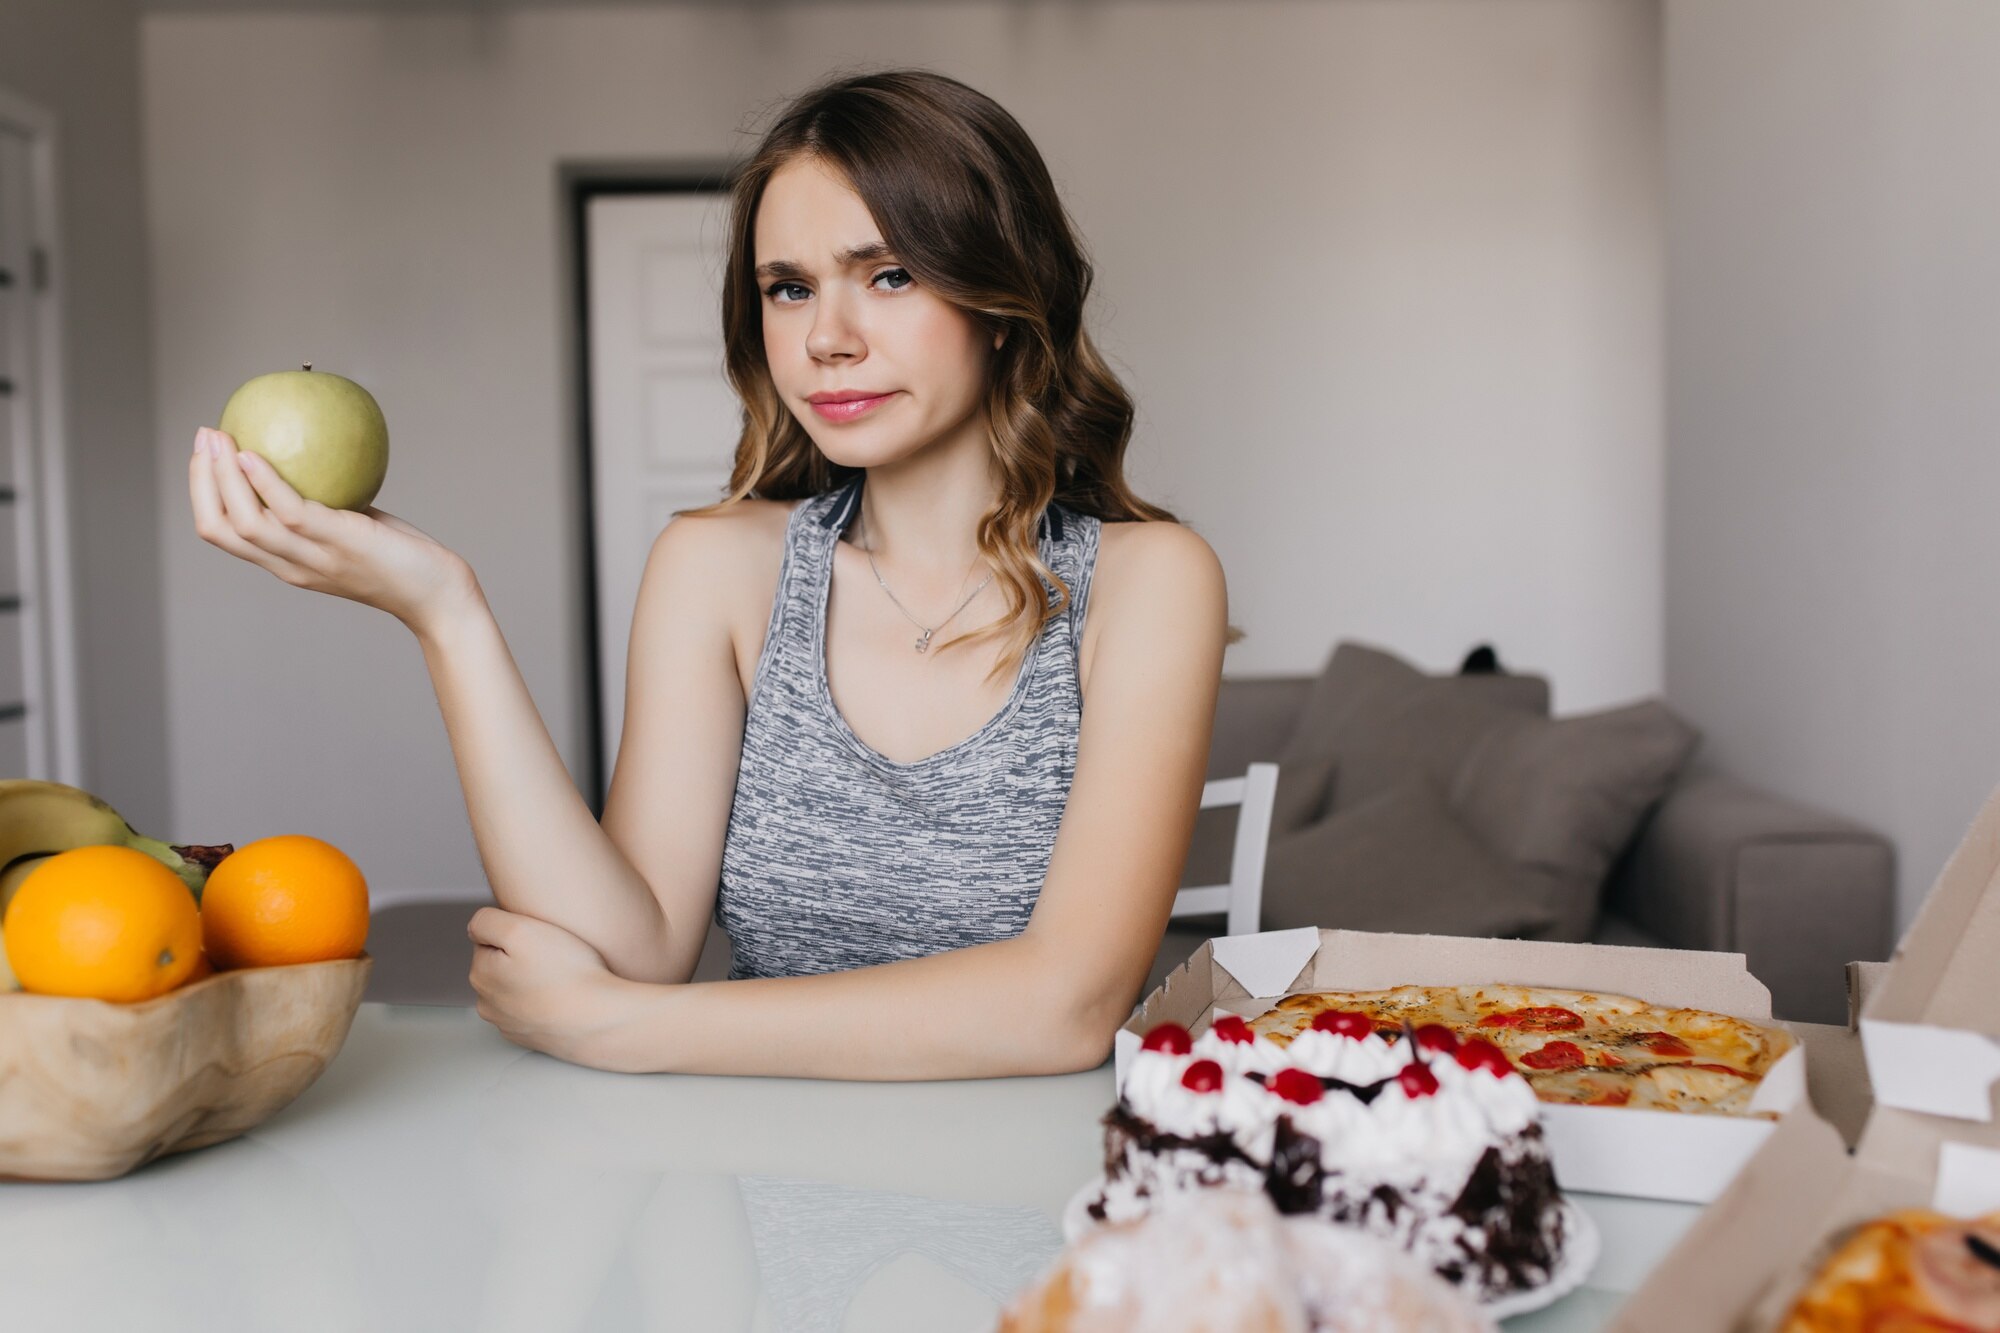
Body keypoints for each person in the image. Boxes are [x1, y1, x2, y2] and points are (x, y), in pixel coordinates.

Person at [187, 68, 1227, 1080]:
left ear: (1003, 298)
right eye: (788, 288)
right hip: (759, 1205)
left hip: (1033, 1219)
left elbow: (1064, 1008)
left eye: (890, 274)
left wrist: (630, 1028)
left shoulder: (1149, 584)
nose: (825, 336)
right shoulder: (717, 568)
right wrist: (444, 612)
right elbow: (625, 951)